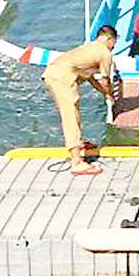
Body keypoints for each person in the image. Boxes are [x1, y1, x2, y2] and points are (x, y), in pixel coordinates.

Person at [41, 25, 117, 176]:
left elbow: (91, 79)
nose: (113, 48)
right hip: (62, 77)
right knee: (70, 116)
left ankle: (79, 144)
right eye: (113, 44)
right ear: (109, 39)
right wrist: (109, 94)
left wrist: (105, 93)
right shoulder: (104, 53)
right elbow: (105, 80)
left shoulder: (88, 49)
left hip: (53, 73)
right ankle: (76, 162)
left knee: (73, 113)